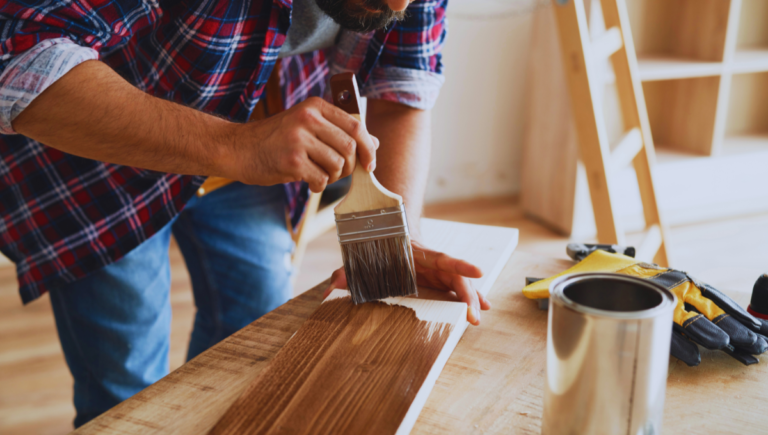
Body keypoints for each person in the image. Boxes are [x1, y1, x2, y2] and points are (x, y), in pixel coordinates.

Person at [0, 0, 491, 427]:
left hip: (259, 138)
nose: (400, 8)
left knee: (257, 350)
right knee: (127, 393)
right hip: (98, 161)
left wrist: (392, 240)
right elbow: (16, 56)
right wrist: (233, 146)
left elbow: (400, 85)